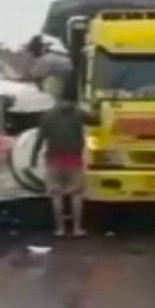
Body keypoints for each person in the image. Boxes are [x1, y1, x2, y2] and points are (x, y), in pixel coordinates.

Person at [29, 82, 98, 237]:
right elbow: (97, 120)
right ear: (74, 99)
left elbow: (40, 139)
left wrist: (33, 158)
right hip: (74, 159)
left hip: (54, 158)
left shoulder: (47, 115)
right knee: (76, 194)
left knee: (56, 194)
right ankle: (77, 228)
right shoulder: (78, 113)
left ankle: (60, 229)